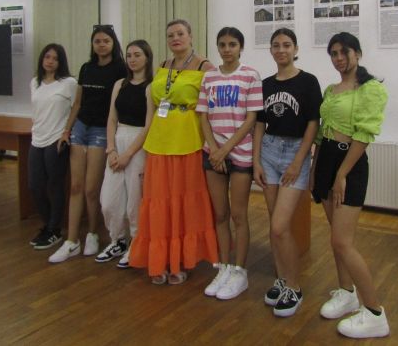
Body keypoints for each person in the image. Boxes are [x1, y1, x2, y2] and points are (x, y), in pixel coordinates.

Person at [311, 32, 389, 339]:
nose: (339, 58)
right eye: (333, 53)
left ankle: (375, 312)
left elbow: (364, 135)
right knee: (335, 238)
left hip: (350, 165)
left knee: (343, 242)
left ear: (357, 53)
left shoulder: (371, 89)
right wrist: (315, 171)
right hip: (327, 161)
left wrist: (341, 174)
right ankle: (346, 292)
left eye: (344, 52)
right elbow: (322, 133)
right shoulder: (331, 90)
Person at [129, 19, 218, 284]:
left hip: (187, 141)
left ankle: (181, 260)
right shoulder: (163, 66)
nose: (175, 38)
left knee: (183, 203)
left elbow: (212, 110)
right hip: (159, 141)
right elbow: (155, 104)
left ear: (191, 36)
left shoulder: (205, 67)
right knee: (159, 202)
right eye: (170, 35)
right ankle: (161, 260)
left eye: (180, 33)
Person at [253, 28, 322, 317]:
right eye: (276, 45)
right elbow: (259, 124)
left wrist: (299, 161)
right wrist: (256, 161)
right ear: (270, 50)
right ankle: (282, 279)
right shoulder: (266, 84)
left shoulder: (308, 81)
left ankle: (294, 287)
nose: (281, 49)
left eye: (286, 45)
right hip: (269, 151)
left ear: (295, 49)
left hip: (296, 152)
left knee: (281, 226)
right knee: (274, 225)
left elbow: (313, 123)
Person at [49, 25, 127, 263]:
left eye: (106, 41)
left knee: (92, 189)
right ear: (92, 45)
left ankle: (92, 233)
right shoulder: (86, 68)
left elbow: (118, 106)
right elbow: (78, 103)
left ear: (113, 43)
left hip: (101, 131)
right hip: (81, 128)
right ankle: (71, 241)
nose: (101, 45)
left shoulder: (120, 69)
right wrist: (67, 130)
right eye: (97, 41)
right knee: (75, 187)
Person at [197, 27, 263, 300]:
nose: (227, 49)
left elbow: (251, 119)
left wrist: (225, 149)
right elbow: (203, 116)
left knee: (238, 216)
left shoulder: (251, 76)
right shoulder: (209, 76)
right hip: (213, 153)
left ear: (240, 47)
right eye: (222, 44)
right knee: (220, 215)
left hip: (240, 153)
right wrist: (214, 149)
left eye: (232, 44)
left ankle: (240, 271)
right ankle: (224, 267)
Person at [95, 40, 153, 267]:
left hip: (138, 145)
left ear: (147, 57)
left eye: (137, 55)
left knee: (134, 202)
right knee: (108, 201)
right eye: (129, 55)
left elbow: (148, 126)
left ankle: (135, 244)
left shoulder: (151, 87)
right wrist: (111, 149)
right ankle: (117, 240)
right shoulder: (119, 84)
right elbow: (111, 118)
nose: (132, 59)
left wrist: (128, 154)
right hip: (118, 140)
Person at [28, 43, 77, 250]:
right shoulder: (35, 82)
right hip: (37, 138)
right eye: (47, 57)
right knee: (35, 185)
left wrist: (66, 132)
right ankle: (47, 224)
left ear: (61, 62)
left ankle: (54, 229)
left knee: (55, 185)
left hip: (56, 139)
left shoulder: (68, 83)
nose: (50, 61)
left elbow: (76, 108)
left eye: (55, 58)